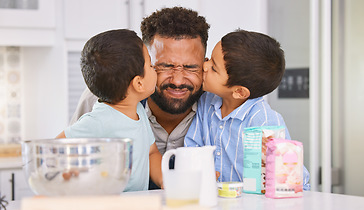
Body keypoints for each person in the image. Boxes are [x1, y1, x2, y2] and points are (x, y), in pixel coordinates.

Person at [69, 7, 210, 189]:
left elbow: (151, 154)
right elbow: (65, 156)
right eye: (164, 66)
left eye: (191, 67)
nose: (177, 80)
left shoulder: (219, 105)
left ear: (205, 65)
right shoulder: (102, 100)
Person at [184, 30, 310, 190]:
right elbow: (192, 146)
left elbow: (293, 183)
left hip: (252, 208)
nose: (204, 66)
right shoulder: (207, 101)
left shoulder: (264, 121)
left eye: (214, 68)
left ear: (239, 92)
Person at [56, 29, 163, 191]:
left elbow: (151, 153)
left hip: (135, 206)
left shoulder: (138, 112)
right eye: (150, 64)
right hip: (107, 208)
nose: (155, 68)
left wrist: (165, 180)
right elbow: (55, 147)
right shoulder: (98, 121)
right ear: (138, 83)